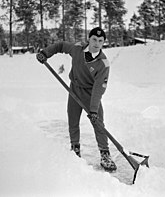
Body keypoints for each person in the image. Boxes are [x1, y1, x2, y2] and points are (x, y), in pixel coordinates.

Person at [36, 27, 117, 171]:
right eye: (94, 39)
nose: (96, 43)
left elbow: (99, 88)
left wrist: (93, 110)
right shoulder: (78, 49)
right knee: (73, 121)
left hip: (90, 94)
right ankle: (75, 149)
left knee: (98, 124)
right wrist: (45, 53)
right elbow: (61, 46)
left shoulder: (103, 63)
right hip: (74, 90)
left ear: (104, 42)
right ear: (89, 39)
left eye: (100, 41)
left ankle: (105, 154)